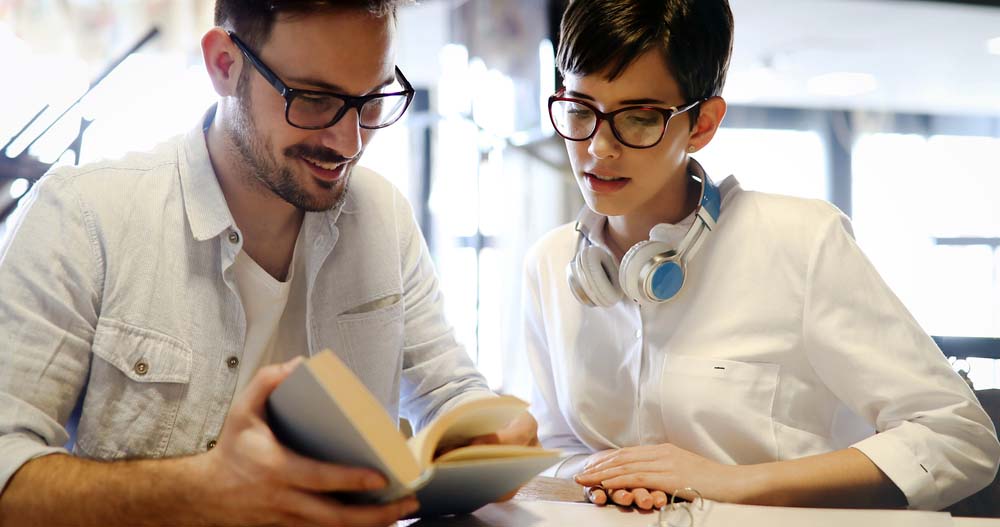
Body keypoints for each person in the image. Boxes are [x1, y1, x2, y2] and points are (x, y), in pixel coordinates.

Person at [0, 1, 537, 525]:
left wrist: (493, 437)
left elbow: (449, 393)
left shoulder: (384, 217)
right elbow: (7, 471)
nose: (349, 142)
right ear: (224, 65)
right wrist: (200, 492)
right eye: (313, 99)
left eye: (371, 101)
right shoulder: (84, 215)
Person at [523, 0, 999, 513]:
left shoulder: (800, 241)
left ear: (702, 123)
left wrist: (724, 482)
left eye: (638, 119)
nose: (598, 149)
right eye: (579, 109)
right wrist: (614, 477)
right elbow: (558, 449)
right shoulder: (551, 264)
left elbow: (958, 438)